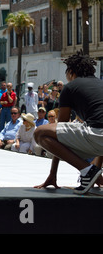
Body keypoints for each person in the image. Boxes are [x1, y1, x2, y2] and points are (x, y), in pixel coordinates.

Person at [34, 51, 103, 194]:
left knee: (40, 133)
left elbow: (58, 130)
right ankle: (91, 173)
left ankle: (86, 170)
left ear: (70, 72)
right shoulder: (100, 84)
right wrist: (97, 173)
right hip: (98, 137)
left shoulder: (70, 87)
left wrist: (53, 173)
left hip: (97, 135)